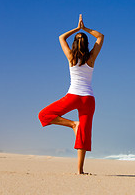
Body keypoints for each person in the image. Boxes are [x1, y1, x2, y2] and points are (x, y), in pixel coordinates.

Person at [38, 14, 104, 174]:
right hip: (88, 99)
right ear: (87, 43)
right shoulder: (92, 58)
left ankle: (73, 124)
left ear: (74, 44)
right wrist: (85, 28)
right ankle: (80, 171)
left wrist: (77, 28)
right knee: (84, 134)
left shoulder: (70, 57)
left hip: (73, 96)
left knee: (44, 115)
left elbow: (61, 37)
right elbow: (100, 36)